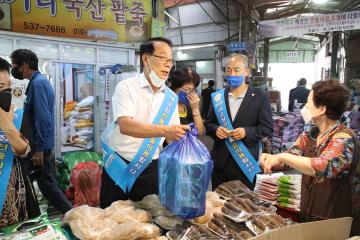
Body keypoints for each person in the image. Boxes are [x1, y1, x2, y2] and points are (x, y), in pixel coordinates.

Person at [100, 37, 189, 208]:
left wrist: (183, 138)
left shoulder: (170, 98)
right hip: (119, 165)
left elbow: (171, 137)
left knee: (148, 222)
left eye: (170, 60)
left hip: (151, 169)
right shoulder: (126, 87)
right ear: (146, 58)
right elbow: (126, 125)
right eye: (163, 58)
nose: (168, 64)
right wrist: (165, 131)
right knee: (112, 221)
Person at [260, 80, 358, 221]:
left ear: (321, 109)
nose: (305, 107)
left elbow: (322, 166)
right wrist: (272, 160)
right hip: (309, 211)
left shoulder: (344, 137)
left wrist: (282, 156)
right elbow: (291, 159)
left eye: (308, 102)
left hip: (334, 218)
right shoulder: (310, 135)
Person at [10, 49, 72, 214]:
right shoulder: (38, 82)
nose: (14, 70)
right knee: (47, 184)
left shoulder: (38, 83)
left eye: (15, 66)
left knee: (48, 186)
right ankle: (70, 214)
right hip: (41, 143)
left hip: (40, 146)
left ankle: (74, 216)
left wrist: (39, 149)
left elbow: (43, 118)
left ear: (24, 65)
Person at [206, 53, 273, 190]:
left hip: (245, 161)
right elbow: (209, 123)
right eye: (228, 70)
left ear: (246, 72)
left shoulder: (260, 97)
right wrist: (215, 129)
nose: (232, 74)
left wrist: (246, 132)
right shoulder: (218, 97)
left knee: (245, 204)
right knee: (219, 204)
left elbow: (267, 127)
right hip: (220, 162)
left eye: (237, 70)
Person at [0, 57, 40, 228]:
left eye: (3, 87)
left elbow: (25, 151)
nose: (3, 92)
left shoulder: (16, 112)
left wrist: (7, 127)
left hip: (14, 190)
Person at [170, 68, 205, 135]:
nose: (190, 93)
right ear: (175, 87)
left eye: (193, 90)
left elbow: (200, 132)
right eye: (187, 89)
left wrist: (195, 109)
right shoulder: (166, 105)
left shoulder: (189, 106)